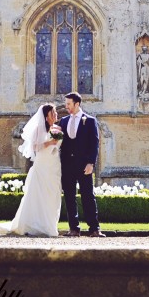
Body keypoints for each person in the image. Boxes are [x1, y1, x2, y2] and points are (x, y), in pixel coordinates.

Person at [0, 104, 62, 237]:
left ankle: (50, 225)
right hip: (42, 165)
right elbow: (35, 147)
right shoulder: (38, 129)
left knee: (52, 195)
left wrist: (56, 142)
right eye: (53, 113)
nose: (56, 115)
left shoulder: (58, 129)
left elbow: (58, 146)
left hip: (54, 165)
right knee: (38, 194)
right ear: (47, 116)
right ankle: (34, 225)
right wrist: (50, 143)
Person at [59, 92, 105, 237]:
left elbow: (94, 144)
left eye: (68, 104)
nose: (66, 106)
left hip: (84, 165)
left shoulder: (90, 121)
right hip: (67, 166)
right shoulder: (63, 121)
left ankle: (94, 228)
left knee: (88, 196)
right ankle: (74, 228)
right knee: (69, 197)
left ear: (77, 104)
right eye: (66, 104)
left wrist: (91, 163)